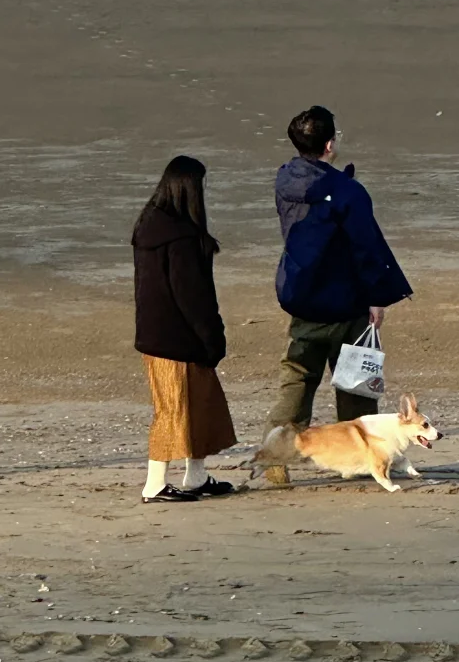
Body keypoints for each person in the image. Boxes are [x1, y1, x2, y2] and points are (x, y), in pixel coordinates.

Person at [264, 106, 412, 484]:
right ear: (330, 144)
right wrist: (378, 296)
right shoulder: (348, 192)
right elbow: (367, 247)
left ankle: (275, 461)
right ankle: (360, 460)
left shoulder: (286, 181)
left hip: (303, 297)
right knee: (357, 387)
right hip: (346, 302)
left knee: (296, 382)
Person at [132, 155, 237, 502]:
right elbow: (193, 295)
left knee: (198, 406)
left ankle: (196, 475)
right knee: (174, 410)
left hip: (156, 334)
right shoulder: (182, 237)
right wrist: (212, 337)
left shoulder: (149, 224)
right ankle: (155, 484)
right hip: (178, 339)